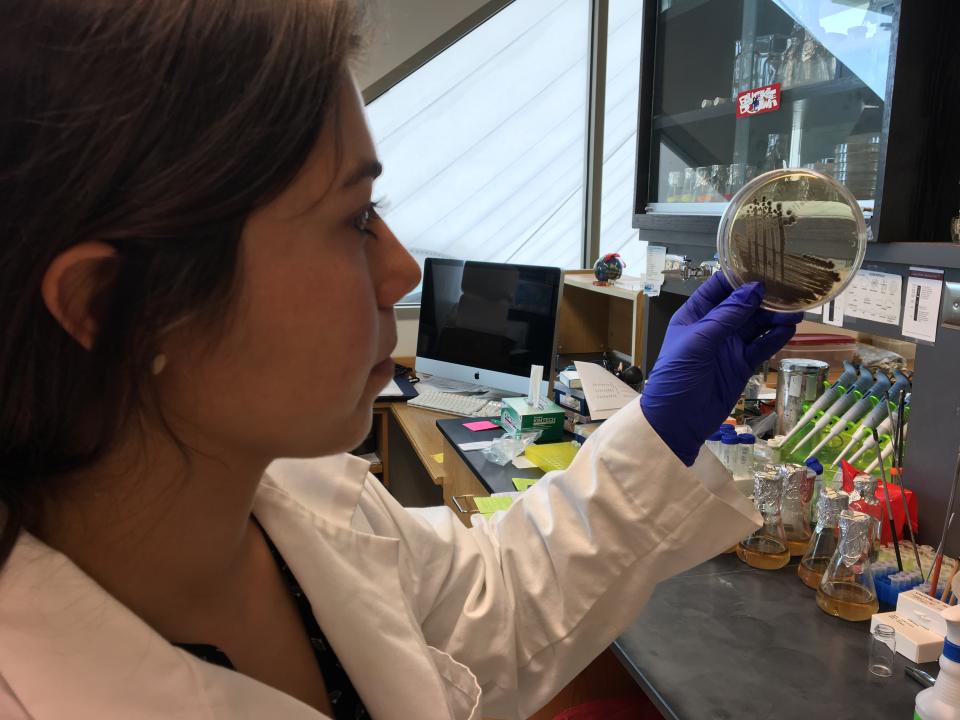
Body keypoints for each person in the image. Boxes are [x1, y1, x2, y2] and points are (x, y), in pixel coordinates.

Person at [0, 2, 801, 719]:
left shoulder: (304, 506)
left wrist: (660, 425)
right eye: (353, 219)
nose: (403, 270)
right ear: (114, 306)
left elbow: (502, 604)